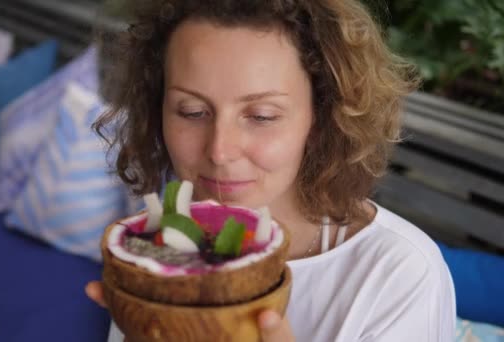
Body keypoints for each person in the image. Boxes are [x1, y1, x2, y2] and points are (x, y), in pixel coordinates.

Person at [86, 0, 456, 341]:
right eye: (192, 111)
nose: (220, 151)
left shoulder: (398, 276)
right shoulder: (162, 248)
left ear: (322, 116)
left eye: (262, 116)